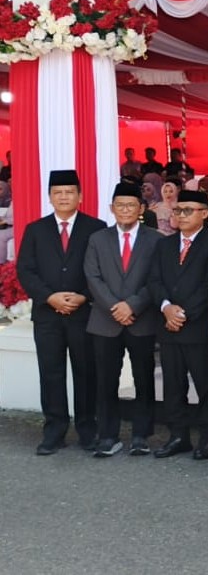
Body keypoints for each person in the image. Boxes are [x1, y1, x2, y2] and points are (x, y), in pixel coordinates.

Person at [16, 170, 107, 455]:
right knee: (51, 373)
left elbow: (102, 270)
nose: (64, 197)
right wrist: (49, 296)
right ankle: (54, 431)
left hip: (84, 314)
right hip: (48, 315)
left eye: (69, 192)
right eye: (58, 193)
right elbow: (25, 270)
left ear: (80, 196)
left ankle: (87, 429)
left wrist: (84, 296)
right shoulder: (35, 229)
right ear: (50, 197)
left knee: (86, 373)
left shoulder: (96, 227)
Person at [149, 190, 208, 459]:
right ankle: (178, 436)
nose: (181, 215)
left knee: (206, 385)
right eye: (178, 210)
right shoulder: (163, 245)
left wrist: (183, 314)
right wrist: (166, 308)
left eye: (188, 210)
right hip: (168, 326)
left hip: (198, 328)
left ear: (204, 214)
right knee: (172, 385)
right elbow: (154, 280)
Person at [83, 182, 160, 457]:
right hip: (105, 320)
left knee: (144, 380)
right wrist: (115, 306)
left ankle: (141, 434)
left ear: (141, 209)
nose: (125, 210)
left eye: (131, 205)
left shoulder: (156, 239)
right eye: (120, 205)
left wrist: (133, 305)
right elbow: (92, 277)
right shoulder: (98, 239)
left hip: (142, 320)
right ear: (111, 209)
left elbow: (157, 279)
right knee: (105, 381)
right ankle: (107, 435)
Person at [0, 180, 14, 263]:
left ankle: (1, 262)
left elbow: (16, 218)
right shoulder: (1, 201)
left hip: (13, 226)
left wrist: (4, 221)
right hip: (5, 226)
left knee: (1, 235)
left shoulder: (11, 201)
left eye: (0, 189)